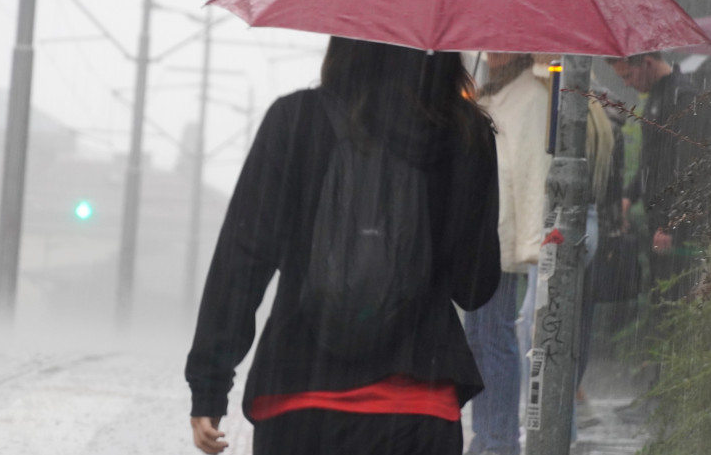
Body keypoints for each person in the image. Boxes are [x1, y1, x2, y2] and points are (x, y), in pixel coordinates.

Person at [186, 36, 501, 455]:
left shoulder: (295, 119)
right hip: (417, 406)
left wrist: (210, 385)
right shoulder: (464, 131)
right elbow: (474, 287)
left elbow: (243, 257)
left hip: (300, 400)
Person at [606, 52, 705, 421]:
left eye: (629, 75)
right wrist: (631, 192)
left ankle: (667, 400)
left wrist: (671, 223)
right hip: (656, 220)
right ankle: (655, 393)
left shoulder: (682, 96)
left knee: (672, 308)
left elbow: (685, 165)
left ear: (647, 61)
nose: (628, 83)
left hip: (676, 229)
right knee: (659, 305)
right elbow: (653, 158)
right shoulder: (657, 97)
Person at [464, 52, 550, 455]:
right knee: (480, 339)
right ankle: (487, 435)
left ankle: (498, 440)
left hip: (501, 234)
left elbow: (534, 170)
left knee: (494, 337)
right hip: (481, 233)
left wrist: (531, 242)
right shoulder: (492, 95)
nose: (493, 50)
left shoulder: (531, 94)